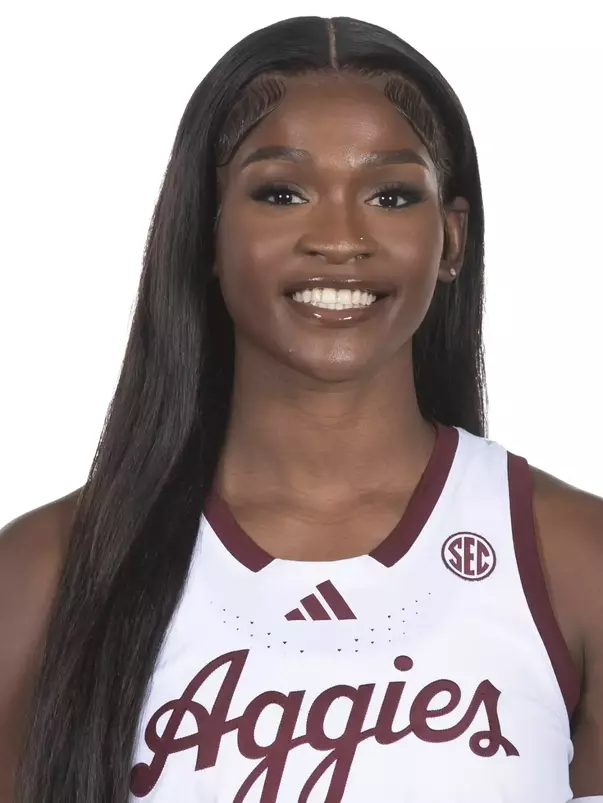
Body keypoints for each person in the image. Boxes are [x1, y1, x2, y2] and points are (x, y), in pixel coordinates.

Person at [0, 14, 602, 803]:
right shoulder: (44, 573)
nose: (339, 239)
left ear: (450, 240)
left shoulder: (571, 561)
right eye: (281, 192)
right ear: (206, 231)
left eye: (390, 194)